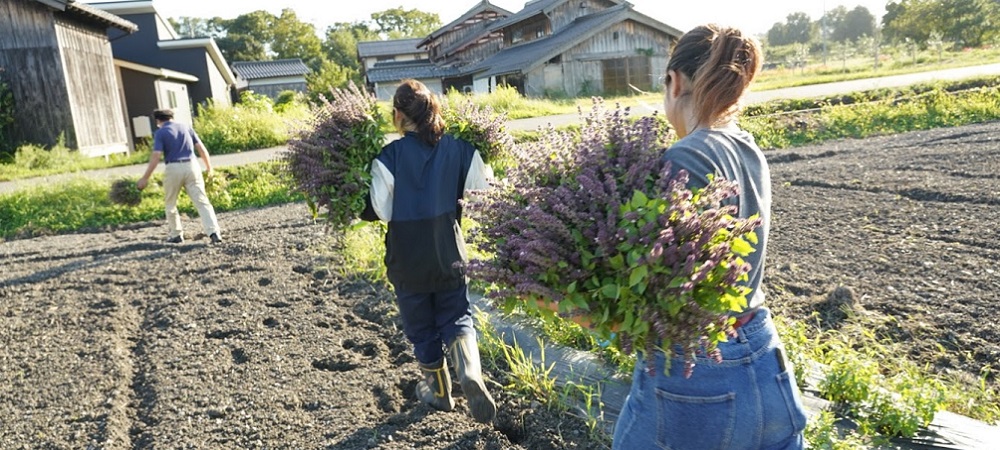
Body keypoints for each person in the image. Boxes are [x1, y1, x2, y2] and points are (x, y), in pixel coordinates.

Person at [610, 25, 808, 449]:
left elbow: (649, 281)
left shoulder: (681, 156)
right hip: (763, 355)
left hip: (698, 372)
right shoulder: (748, 147)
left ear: (674, 81)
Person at [361, 79, 497, 423]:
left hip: (407, 259)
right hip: (448, 250)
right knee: (457, 315)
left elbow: (381, 210)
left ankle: (439, 392)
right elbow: (482, 196)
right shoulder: (464, 149)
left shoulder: (387, 158)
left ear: (397, 116)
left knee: (421, 327)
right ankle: (469, 371)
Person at [137, 108, 222, 245]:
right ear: (172, 117)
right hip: (192, 166)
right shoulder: (186, 127)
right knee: (202, 201)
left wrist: (145, 178)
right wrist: (209, 168)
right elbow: (201, 148)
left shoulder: (160, 133)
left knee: (170, 202)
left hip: (174, 167)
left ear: (158, 121)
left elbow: (156, 156)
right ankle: (214, 232)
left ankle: (176, 234)